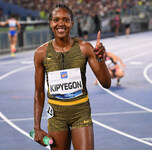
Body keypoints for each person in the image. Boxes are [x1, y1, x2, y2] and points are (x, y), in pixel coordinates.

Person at [33, 4, 111, 150]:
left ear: (72, 23)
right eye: (56, 20)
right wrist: (36, 127)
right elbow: (39, 93)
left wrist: (101, 59)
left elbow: (106, 83)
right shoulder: (41, 53)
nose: (61, 23)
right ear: (50, 23)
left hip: (81, 112)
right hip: (56, 115)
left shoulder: (85, 48)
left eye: (66, 20)